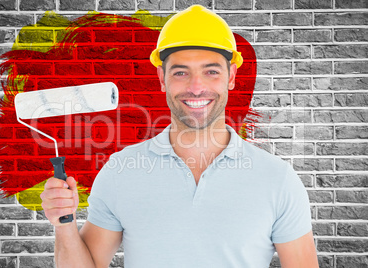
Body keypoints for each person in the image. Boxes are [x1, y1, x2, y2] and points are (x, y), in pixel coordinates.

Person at [40, 5, 319, 268]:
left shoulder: (277, 179)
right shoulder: (120, 171)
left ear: (231, 76)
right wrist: (64, 224)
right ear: (162, 78)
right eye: (181, 72)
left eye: (211, 71)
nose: (196, 88)